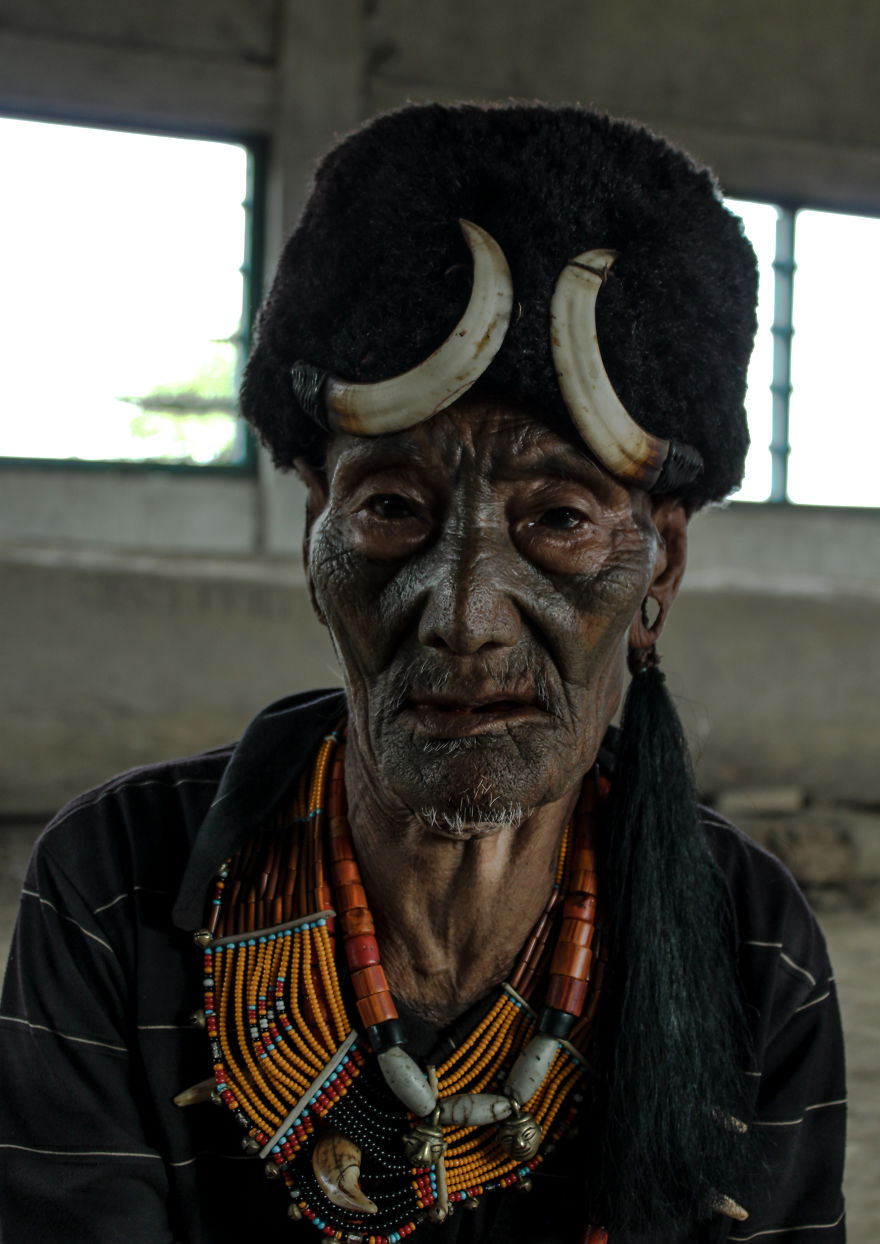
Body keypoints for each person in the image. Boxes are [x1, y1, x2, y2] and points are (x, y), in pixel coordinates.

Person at [0, 103, 845, 1244]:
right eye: (392, 507)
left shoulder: (750, 939)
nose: (461, 614)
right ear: (316, 538)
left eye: (557, 517)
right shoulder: (116, 882)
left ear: (663, 563)